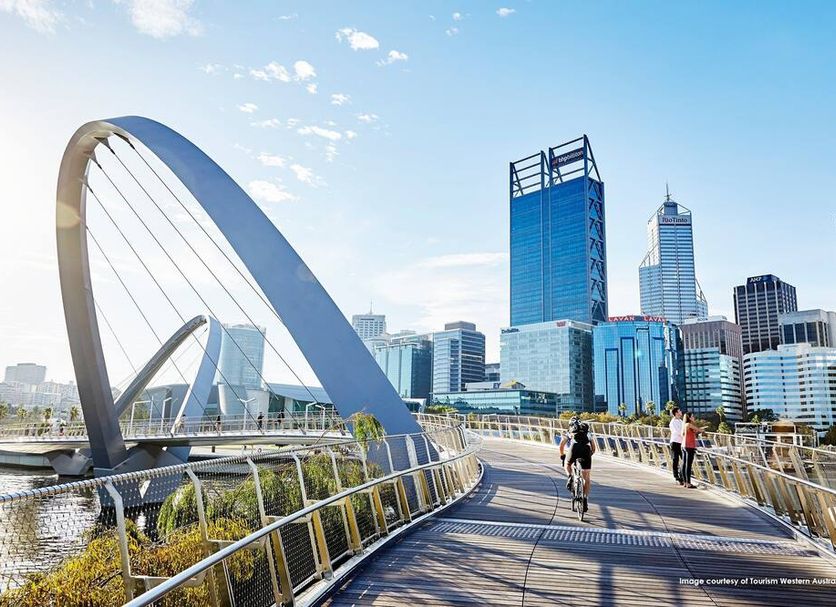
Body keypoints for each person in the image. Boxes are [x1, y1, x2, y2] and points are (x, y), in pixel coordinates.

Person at [564, 421, 596, 512]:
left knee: (567, 464)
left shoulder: (571, 431)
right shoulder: (588, 433)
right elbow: (593, 449)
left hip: (574, 448)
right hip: (586, 450)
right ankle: (585, 498)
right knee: (586, 477)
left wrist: (562, 455)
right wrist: (588, 455)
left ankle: (570, 476)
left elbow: (562, 445)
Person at [680, 412, 702, 488]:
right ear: (689, 418)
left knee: (684, 464)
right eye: (692, 416)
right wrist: (702, 430)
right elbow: (699, 430)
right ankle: (688, 483)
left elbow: (692, 432)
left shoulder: (684, 425)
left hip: (684, 445)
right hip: (689, 446)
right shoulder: (689, 424)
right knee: (688, 465)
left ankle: (685, 482)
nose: (693, 417)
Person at [668, 407, 684, 485]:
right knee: (675, 460)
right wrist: (684, 434)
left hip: (681, 443)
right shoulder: (673, 422)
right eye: (679, 411)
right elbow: (678, 432)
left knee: (684, 459)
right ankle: (676, 477)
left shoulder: (681, 421)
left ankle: (681, 476)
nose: (681, 412)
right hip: (674, 443)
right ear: (676, 413)